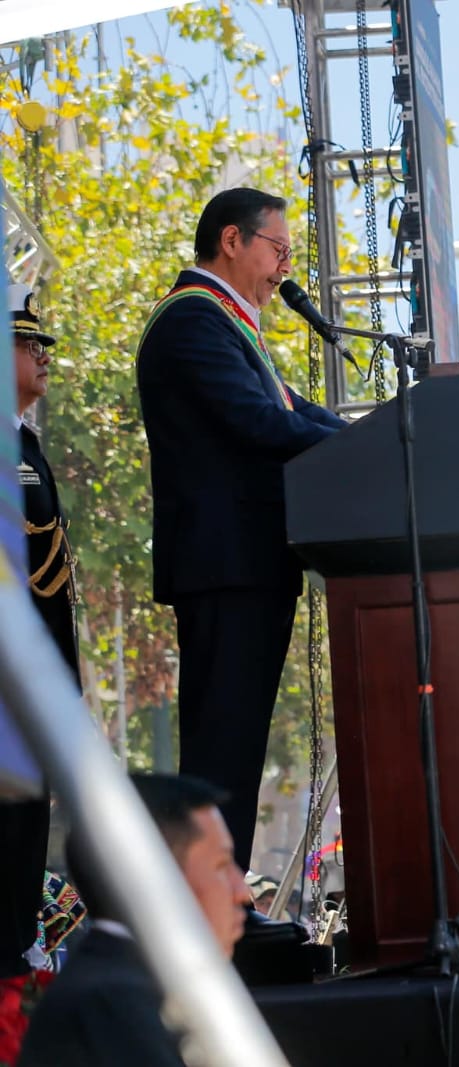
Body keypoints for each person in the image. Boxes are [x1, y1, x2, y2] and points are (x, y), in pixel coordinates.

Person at [135, 187, 345, 881]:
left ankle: (221, 898)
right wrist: (357, 446)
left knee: (237, 748)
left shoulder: (229, 324)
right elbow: (260, 424)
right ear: (232, 240)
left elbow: (290, 410)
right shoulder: (192, 321)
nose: (284, 266)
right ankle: (205, 904)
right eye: (277, 249)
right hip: (225, 567)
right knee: (222, 750)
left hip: (247, 565)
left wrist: (368, 436)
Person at [19, 774, 253, 1067]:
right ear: (158, 877)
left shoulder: (129, 988)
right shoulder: (113, 1003)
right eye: (221, 865)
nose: (242, 892)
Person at [3, 287, 79, 987]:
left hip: (34, 698)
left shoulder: (25, 445)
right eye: (29, 345)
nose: (41, 357)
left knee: (25, 846)